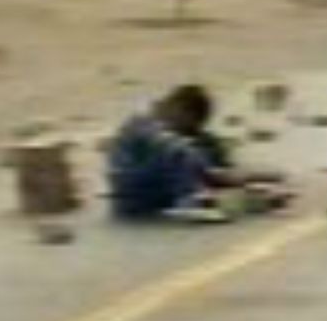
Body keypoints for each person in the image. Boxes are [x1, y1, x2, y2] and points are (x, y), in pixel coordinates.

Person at [106, 84, 279, 221]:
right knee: (182, 152)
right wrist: (211, 172)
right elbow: (172, 148)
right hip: (133, 195)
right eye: (190, 123)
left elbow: (205, 148)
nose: (191, 130)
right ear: (179, 109)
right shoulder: (142, 123)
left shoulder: (181, 131)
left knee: (206, 145)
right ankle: (193, 199)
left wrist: (236, 173)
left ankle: (248, 196)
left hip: (160, 190)